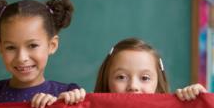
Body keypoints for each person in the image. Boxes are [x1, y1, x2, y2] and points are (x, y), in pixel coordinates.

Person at [0, 0, 86, 108]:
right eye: (11, 47)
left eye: (33, 45)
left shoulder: (66, 94)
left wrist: (61, 107)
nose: (21, 58)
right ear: (0, 48)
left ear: (52, 45)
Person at [57, 37, 206, 101]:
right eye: (121, 77)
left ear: (158, 84)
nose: (133, 87)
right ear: (106, 80)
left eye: (145, 78)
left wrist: (198, 101)